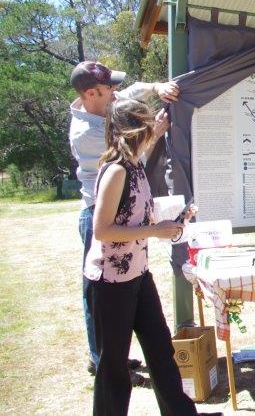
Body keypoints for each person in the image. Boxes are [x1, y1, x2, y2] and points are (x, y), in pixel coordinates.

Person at [86, 98, 215, 416]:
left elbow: (135, 214)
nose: (151, 131)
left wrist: (173, 221)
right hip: (110, 283)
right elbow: (102, 230)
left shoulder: (134, 162)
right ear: (134, 130)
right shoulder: (117, 170)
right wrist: (156, 231)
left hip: (138, 276)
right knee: (114, 367)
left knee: (160, 349)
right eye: (146, 125)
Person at [69, 61, 179, 381]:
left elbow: (131, 91)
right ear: (92, 93)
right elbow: (128, 154)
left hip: (116, 211)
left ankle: (110, 356)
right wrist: (154, 133)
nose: (115, 92)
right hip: (99, 215)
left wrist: (157, 87)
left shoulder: (103, 105)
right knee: (102, 294)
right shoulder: (89, 132)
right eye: (108, 89)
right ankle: (104, 360)